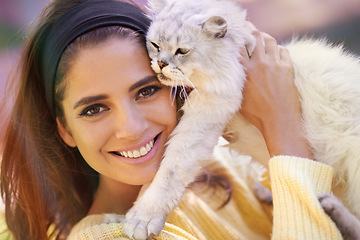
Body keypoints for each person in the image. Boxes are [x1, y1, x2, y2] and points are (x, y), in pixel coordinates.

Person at [0, 0, 342, 239]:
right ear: (63, 128)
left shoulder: (227, 167)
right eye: (94, 109)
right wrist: (283, 127)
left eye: (146, 91)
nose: (131, 128)